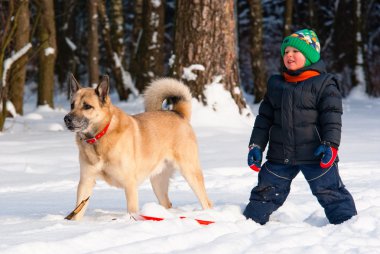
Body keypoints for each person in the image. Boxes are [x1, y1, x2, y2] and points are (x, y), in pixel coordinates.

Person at [243, 29, 357, 225]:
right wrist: (256, 145)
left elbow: (332, 117)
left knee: (330, 191)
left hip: (315, 154)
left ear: (310, 55)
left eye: (295, 51)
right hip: (280, 154)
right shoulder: (276, 84)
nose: (289, 55)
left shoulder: (324, 84)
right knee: (266, 190)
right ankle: (250, 223)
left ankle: (347, 225)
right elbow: (264, 119)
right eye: (286, 52)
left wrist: (330, 144)